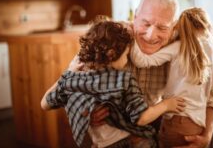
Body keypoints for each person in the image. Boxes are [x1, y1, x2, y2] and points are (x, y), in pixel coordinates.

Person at [70, 0, 213, 148]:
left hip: (151, 131)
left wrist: (206, 135)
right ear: (135, 16)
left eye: (162, 28)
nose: (150, 35)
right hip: (107, 139)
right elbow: (68, 85)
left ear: (174, 27)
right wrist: (85, 113)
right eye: (146, 23)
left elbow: (209, 94)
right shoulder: (111, 38)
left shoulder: (179, 47)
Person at [41, 20, 185, 148]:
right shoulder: (123, 80)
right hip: (131, 141)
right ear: (111, 54)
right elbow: (141, 117)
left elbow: (45, 104)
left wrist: (68, 73)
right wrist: (167, 105)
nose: (127, 61)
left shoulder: (72, 78)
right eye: (126, 56)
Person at [130, 7, 213, 147]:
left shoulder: (178, 47)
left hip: (174, 119)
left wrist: (131, 36)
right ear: (207, 25)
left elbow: (143, 61)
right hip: (197, 123)